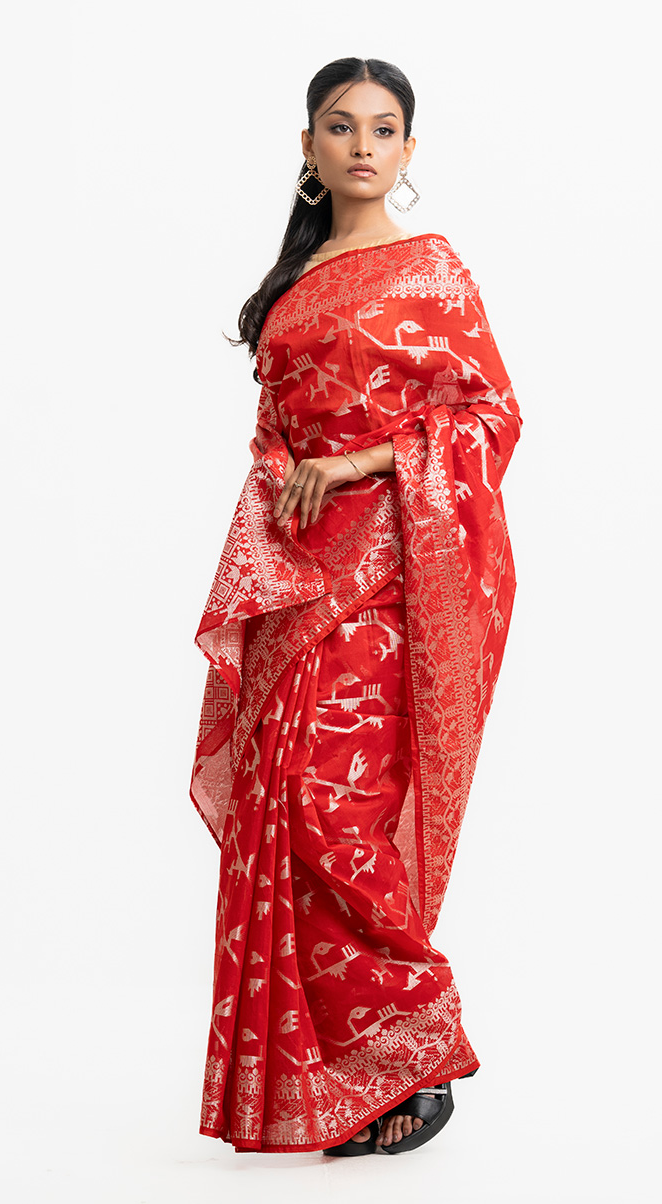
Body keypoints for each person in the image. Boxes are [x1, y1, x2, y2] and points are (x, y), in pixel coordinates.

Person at [189, 55, 521, 1156]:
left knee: (336, 812)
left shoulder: (432, 271)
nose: (362, 146)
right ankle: (349, 1079)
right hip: (297, 577)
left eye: (383, 129)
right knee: (283, 814)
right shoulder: (291, 286)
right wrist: (290, 477)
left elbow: (489, 419)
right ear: (309, 147)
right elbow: (275, 437)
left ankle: (420, 1048)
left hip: (389, 573)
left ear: (409, 151)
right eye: (340, 127)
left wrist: (359, 461)